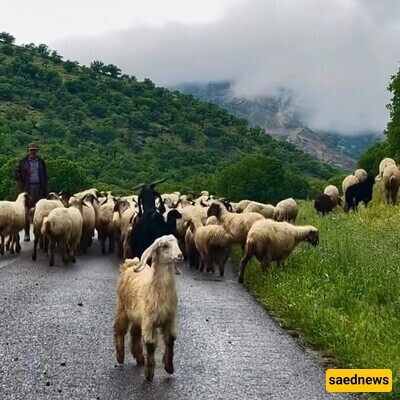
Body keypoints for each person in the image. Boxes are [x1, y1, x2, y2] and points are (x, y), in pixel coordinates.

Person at [14, 142, 49, 241]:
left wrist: (45, 188)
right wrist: (17, 175)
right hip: (27, 188)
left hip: (39, 188)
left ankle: (40, 233)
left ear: (37, 151)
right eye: (31, 150)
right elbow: (17, 171)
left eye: (34, 150)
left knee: (40, 211)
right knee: (26, 212)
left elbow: (45, 175)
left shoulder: (41, 162)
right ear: (28, 151)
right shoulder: (22, 162)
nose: (33, 152)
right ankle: (26, 233)